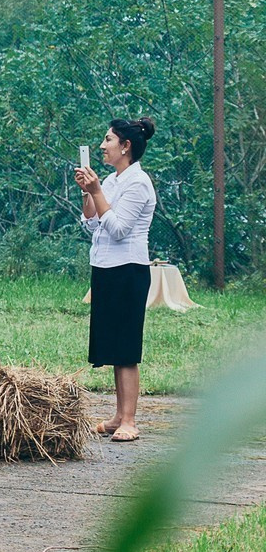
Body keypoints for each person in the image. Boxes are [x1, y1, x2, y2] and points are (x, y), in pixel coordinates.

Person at [77, 117, 158, 443]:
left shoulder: (138, 183)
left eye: (108, 139)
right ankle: (117, 415)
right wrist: (89, 193)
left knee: (126, 348)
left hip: (129, 269)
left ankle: (130, 421)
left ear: (125, 146)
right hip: (106, 267)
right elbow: (92, 225)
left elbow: (120, 229)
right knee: (112, 344)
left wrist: (97, 191)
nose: (102, 146)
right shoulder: (111, 181)